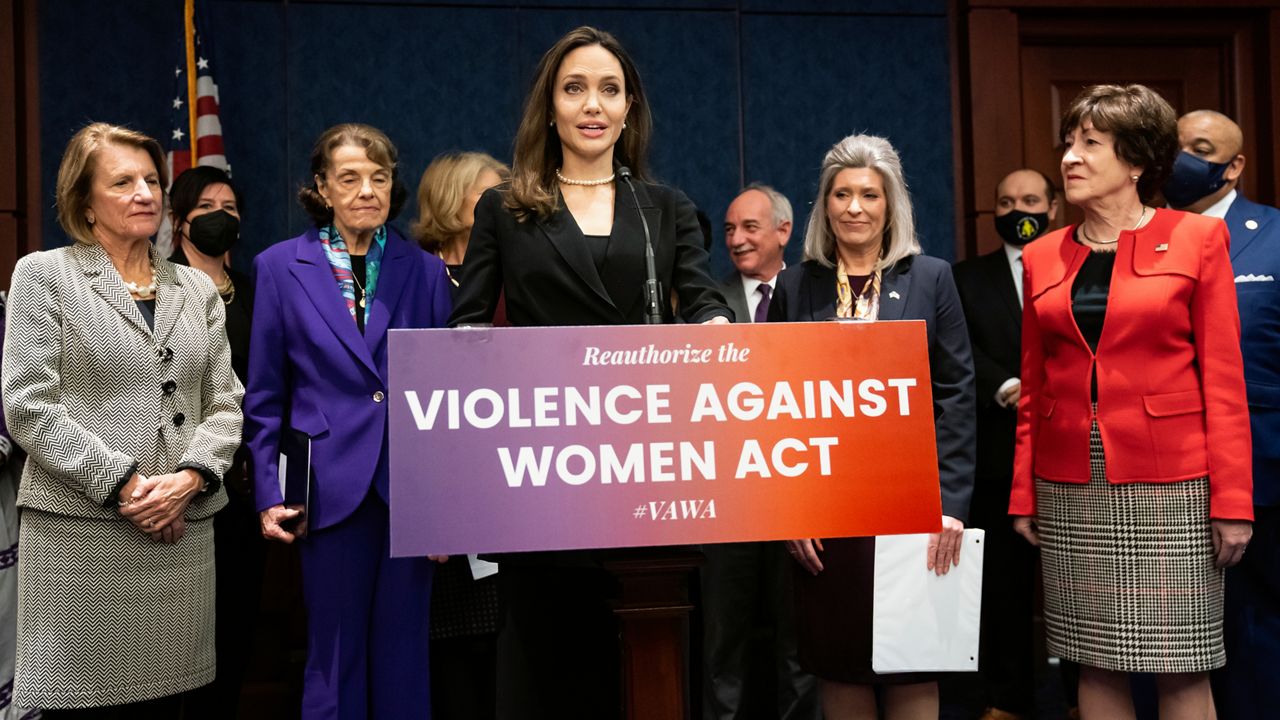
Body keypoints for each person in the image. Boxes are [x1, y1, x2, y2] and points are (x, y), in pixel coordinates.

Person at [449, 25, 731, 719]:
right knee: (547, 660)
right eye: (575, 89)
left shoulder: (663, 208)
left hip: (646, 467)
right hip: (546, 465)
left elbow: (703, 301)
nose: (593, 105)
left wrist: (718, 336)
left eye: (610, 89)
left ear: (630, 108)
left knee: (640, 663)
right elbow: (468, 323)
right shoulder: (505, 208)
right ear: (549, 108)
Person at [1009, 85, 1253, 720]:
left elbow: (1224, 382)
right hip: (1070, 484)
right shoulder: (1042, 255)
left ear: (1137, 161)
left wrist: (1233, 501)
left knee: (1180, 659)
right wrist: (1022, 493)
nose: (1071, 157)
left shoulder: (1197, 238)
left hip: (1173, 484)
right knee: (1095, 655)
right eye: (1069, 142)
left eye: (1091, 144)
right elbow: (1033, 386)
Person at [1, 122, 243, 716]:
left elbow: (226, 403)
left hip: (181, 537)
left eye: (152, 180)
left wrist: (189, 480)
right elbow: (29, 406)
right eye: (123, 182)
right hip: (82, 540)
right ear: (83, 201)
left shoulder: (198, 288)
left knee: (180, 703)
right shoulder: (43, 274)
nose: (146, 193)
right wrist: (130, 487)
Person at [245, 123, 453, 719]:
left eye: (379, 178)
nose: (367, 190)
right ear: (323, 188)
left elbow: (443, 403)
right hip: (325, 491)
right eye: (350, 178)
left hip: (407, 494)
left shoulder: (426, 271)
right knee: (334, 659)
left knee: (405, 655)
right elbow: (264, 396)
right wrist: (267, 491)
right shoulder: (280, 268)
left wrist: (445, 513)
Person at [770, 133, 976, 720]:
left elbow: (957, 395)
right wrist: (792, 509)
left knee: (911, 663)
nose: (854, 207)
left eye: (869, 194)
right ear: (824, 204)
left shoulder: (931, 277)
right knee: (841, 664)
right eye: (841, 194)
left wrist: (951, 504)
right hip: (828, 513)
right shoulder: (795, 285)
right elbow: (777, 404)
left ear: (891, 206)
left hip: (914, 508)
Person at [1165, 109, 1280, 720]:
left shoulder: (1274, 236)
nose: (1183, 157)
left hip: (1267, 476)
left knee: (1259, 636)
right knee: (1164, 638)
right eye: (1175, 146)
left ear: (1234, 165)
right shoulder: (1138, 233)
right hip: (1162, 477)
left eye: (1201, 148)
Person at [703, 182, 818, 720]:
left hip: (801, 496)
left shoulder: (815, 296)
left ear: (783, 231)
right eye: (729, 229)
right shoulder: (705, 302)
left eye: (749, 227)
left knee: (802, 642)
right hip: (729, 499)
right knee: (723, 641)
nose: (736, 239)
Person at [951, 169, 1058, 720]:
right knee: (1003, 593)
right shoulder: (965, 278)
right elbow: (958, 348)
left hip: (1073, 456)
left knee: (1081, 588)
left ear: (1053, 208)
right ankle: (1006, 701)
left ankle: (1081, 700)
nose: (1019, 208)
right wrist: (1009, 385)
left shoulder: (1081, 267)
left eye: (1031, 200)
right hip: (996, 458)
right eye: (1006, 200)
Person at [411, 150, 509, 720]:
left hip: (507, 493)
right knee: (453, 660)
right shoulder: (413, 276)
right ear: (454, 199)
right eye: (490, 192)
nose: (506, 203)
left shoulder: (513, 271)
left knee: (502, 650)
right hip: (442, 506)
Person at [163, 166, 262, 719]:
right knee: (181, 632)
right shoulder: (161, 286)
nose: (220, 217)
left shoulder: (254, 289)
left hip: (247, 483)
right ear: (179, 221)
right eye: (206, 207)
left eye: (230, 206)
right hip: (178, 480)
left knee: (238, 619)